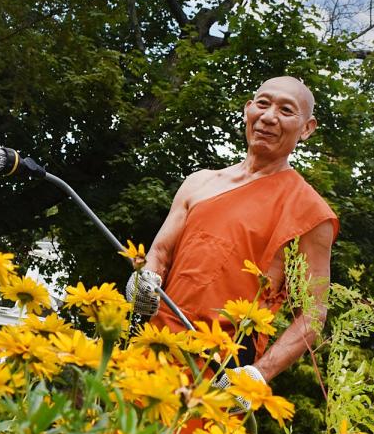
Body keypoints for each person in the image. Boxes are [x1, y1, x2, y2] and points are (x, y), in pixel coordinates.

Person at [128, 75, 339, 387]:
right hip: (151, 346)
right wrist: (142, 280)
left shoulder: (309, 212)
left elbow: (313, 313)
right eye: (263, 104)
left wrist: (259, 374)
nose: (269, 117)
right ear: (248, 110)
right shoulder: (199, 182)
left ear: (307, 128)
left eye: (285, 110)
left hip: (219, 370)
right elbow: (159, 253)